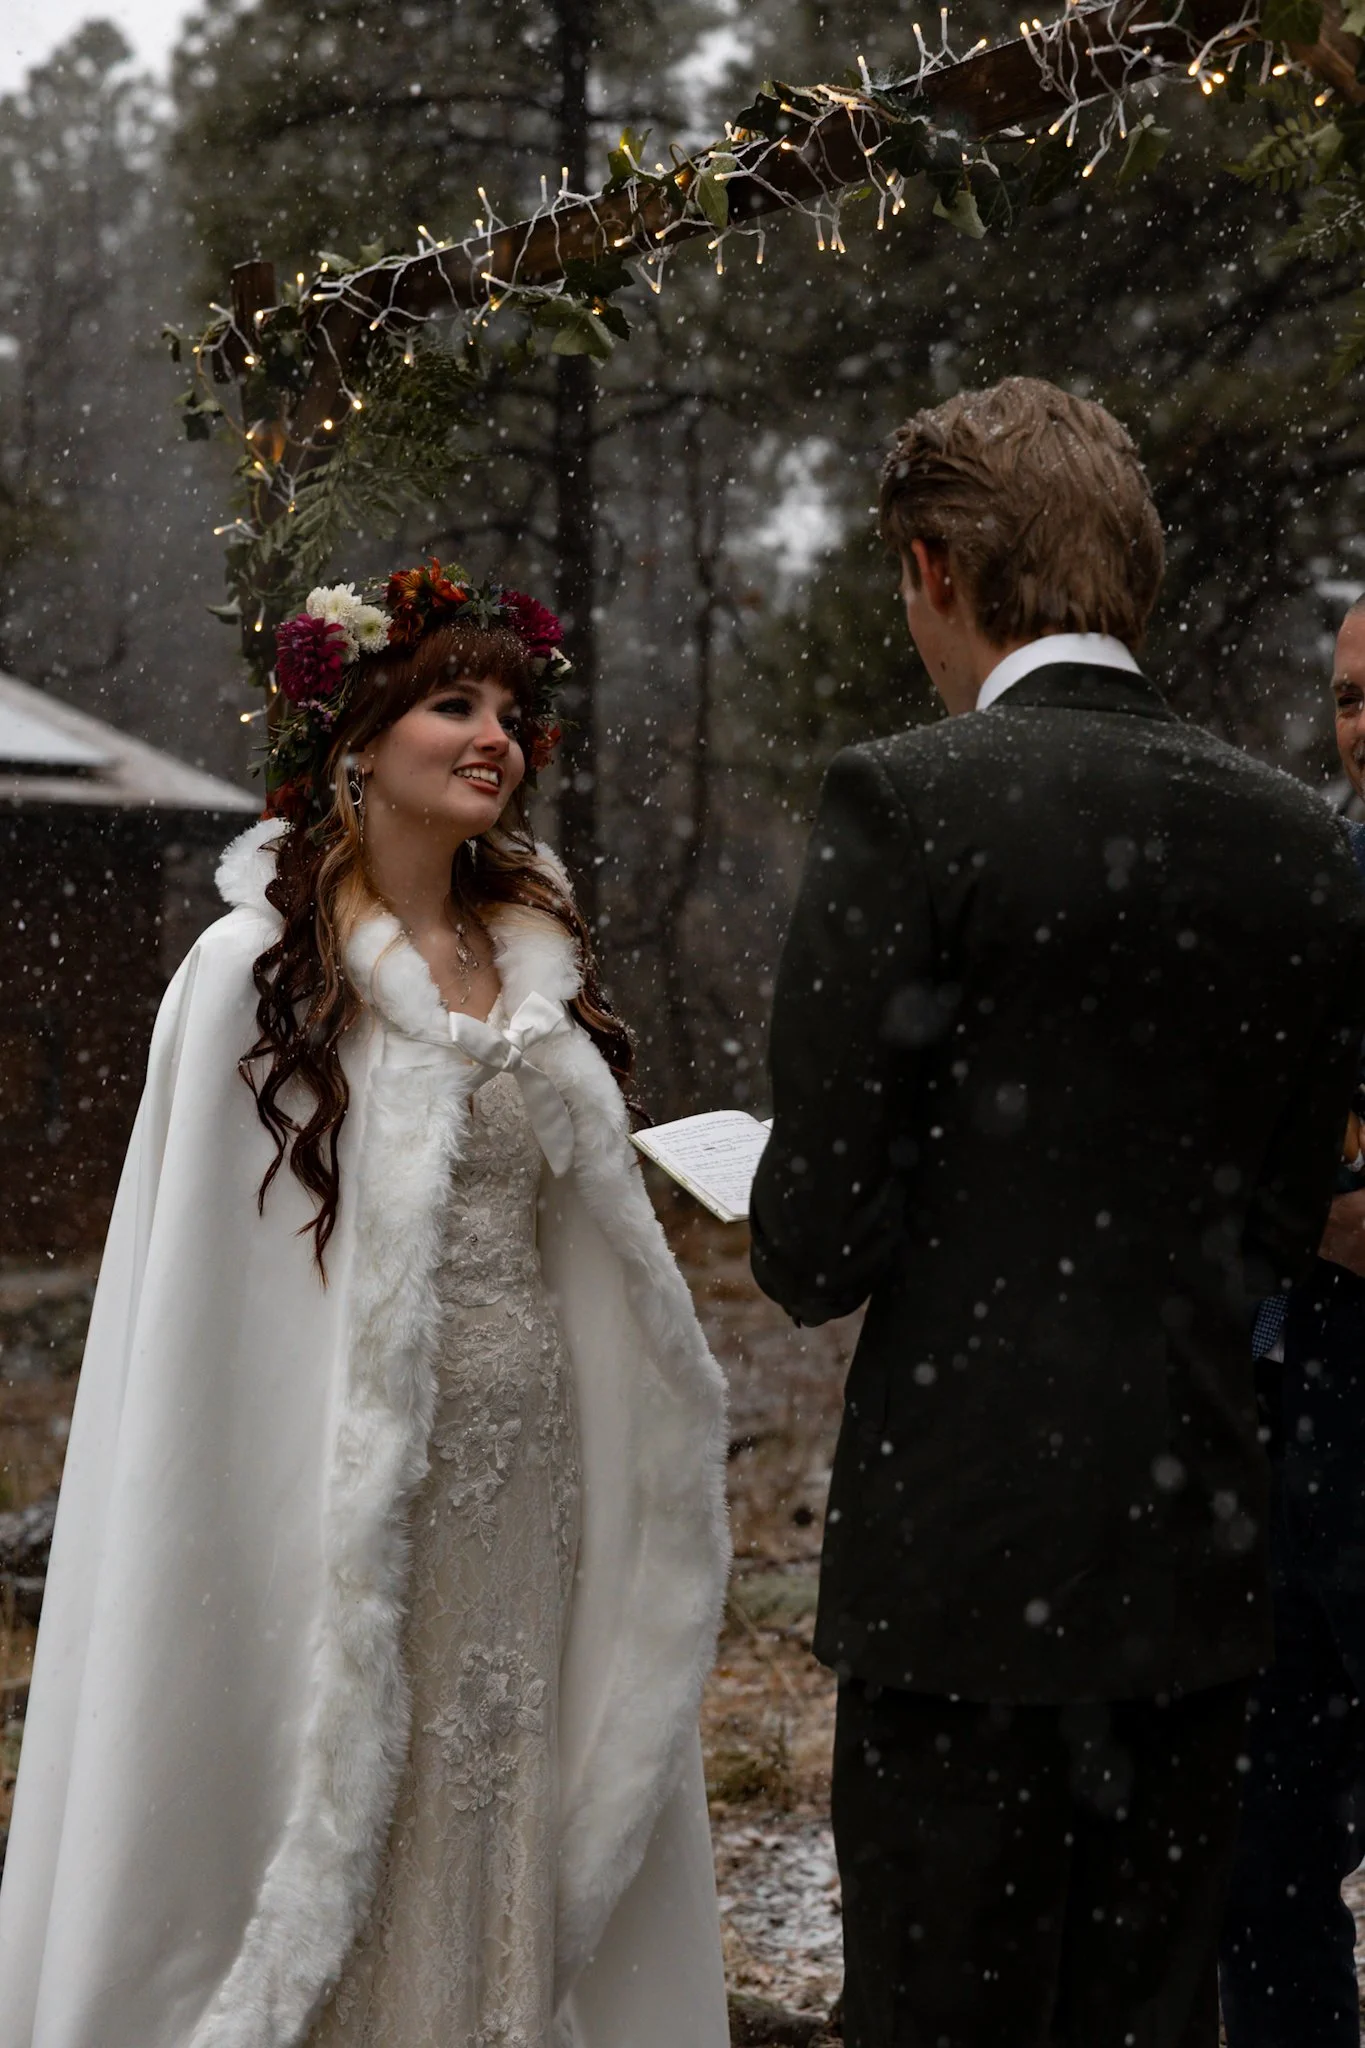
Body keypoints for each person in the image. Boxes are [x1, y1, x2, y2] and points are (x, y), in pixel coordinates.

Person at [0, 562, 731, 2048]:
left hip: (529, 1485)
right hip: (333, 1494)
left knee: (502, 1787)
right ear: (354, 742)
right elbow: (207, 1311)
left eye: (512, 712)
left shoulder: (538, 963)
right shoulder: (247, 978)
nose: (494, 736)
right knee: (342, 1808)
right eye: (452, 704)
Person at [750, 377, 1365, 2048]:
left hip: (964, 1571)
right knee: (1152, 2016)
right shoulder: (1297, 843)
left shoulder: (909, 803)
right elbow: (1275, 1216)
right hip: (1194, 1554)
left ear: (940, 572)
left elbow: (809, 1249)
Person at [1219, 597, 1365, 2047]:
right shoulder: (1313, 869)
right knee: (1262, 1846)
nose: (1363, 729)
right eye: (1347, 699)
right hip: (1294, 1395)